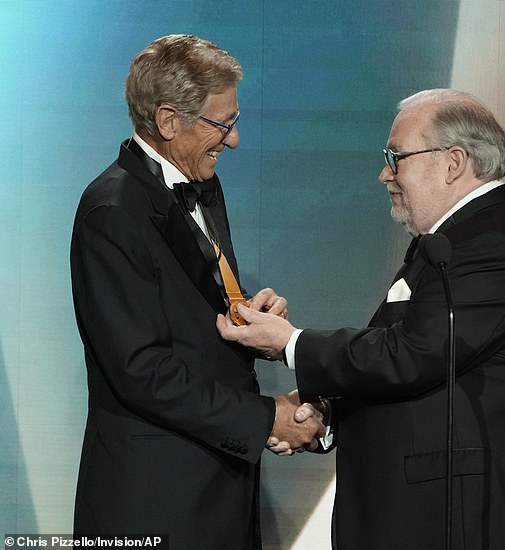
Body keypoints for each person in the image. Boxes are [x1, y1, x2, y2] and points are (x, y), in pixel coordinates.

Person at [217, 89, 505, 550]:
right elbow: (413, 360)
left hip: (486, 512)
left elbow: (416, 354)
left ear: (452, 162)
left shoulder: (491, 242)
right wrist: (328, 411)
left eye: (396, 157)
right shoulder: (451, 241)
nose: (384, 174)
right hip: (442, 510)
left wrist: (292, 344)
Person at [70, 34, 323, 550]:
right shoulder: (112, 213)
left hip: (216, 484)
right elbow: (142, 370)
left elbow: (182, 307)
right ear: (168, 122)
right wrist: (265, 418)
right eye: (221, 124)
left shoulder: (199, 182)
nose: (232, 140)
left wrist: (243, 308)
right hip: (154, 499)